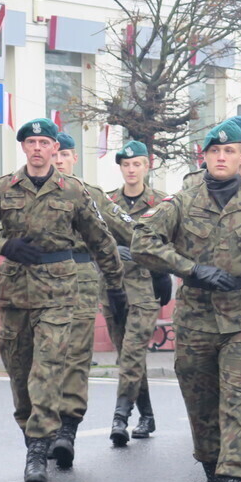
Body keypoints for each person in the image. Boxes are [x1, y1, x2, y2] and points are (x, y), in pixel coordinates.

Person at [0, 118, 126, 482]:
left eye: (43, 142)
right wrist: (3, 245)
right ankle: (31, 435)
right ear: (24, 148)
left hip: (60, 294)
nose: (36, 148)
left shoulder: (73, 191)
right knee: (20, 376)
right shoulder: (4, 188)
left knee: (47, 370)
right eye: (30, 142)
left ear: (55, 149)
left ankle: (38, 451)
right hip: (16, 293)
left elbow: (101, 240)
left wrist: (116, 288)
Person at [132, 120, 241, 482]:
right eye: (214, 152)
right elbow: (143, 240)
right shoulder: (186, 196)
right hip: (196, 316)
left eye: (228, 151)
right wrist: (189, 269)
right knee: (200, 401)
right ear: (205, 156)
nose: (221, 158)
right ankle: (213, 476)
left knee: (240, 399)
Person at [49, 132, 137, 468]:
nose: (58, 160)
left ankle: (66, 429)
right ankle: (43, 428)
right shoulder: (26, 192)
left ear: (73, 158)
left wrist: (159, 262)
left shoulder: (89, 194)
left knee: (75, 356)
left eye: (64, 154)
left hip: (81, 278)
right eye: (54, 154)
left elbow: (129, 227)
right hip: (38, 282)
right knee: (42, 359)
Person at [104, 140, 171, 447]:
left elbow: (169, 242)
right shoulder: (108, 203)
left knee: (132, 352)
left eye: (137, 164)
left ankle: (121, 416)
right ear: (120, 168)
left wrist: (160, 270)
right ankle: (147, 415)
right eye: (126, 165)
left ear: (147, 165)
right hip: (113, 289)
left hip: (146, 288)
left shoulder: (161, 201)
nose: (131, 170)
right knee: (127, 355)